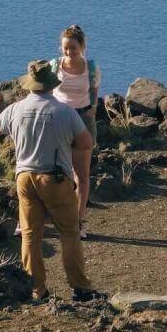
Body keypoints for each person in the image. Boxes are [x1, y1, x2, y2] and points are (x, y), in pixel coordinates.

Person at [0, 60, 101, 303]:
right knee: (69, 233)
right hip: (56, 177)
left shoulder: (15, 110)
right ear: (51, 85)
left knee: (29, 235)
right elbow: (86, 142)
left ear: (30, 85)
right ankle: (80, 288)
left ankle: (37, 289)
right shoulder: (64, 112)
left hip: (25, 178)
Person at [49, 25, 100, 238]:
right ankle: (53, 218)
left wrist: (91, 113)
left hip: (82, 119)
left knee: (82, 175)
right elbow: (47, 91)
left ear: (82, 46)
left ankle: (79, 221)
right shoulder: (54, 67)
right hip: (58, 120)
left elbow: (95, 92)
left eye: (73, 48)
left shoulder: (91, 68)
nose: (69, 52)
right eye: (65, 48)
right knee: (53, 173)